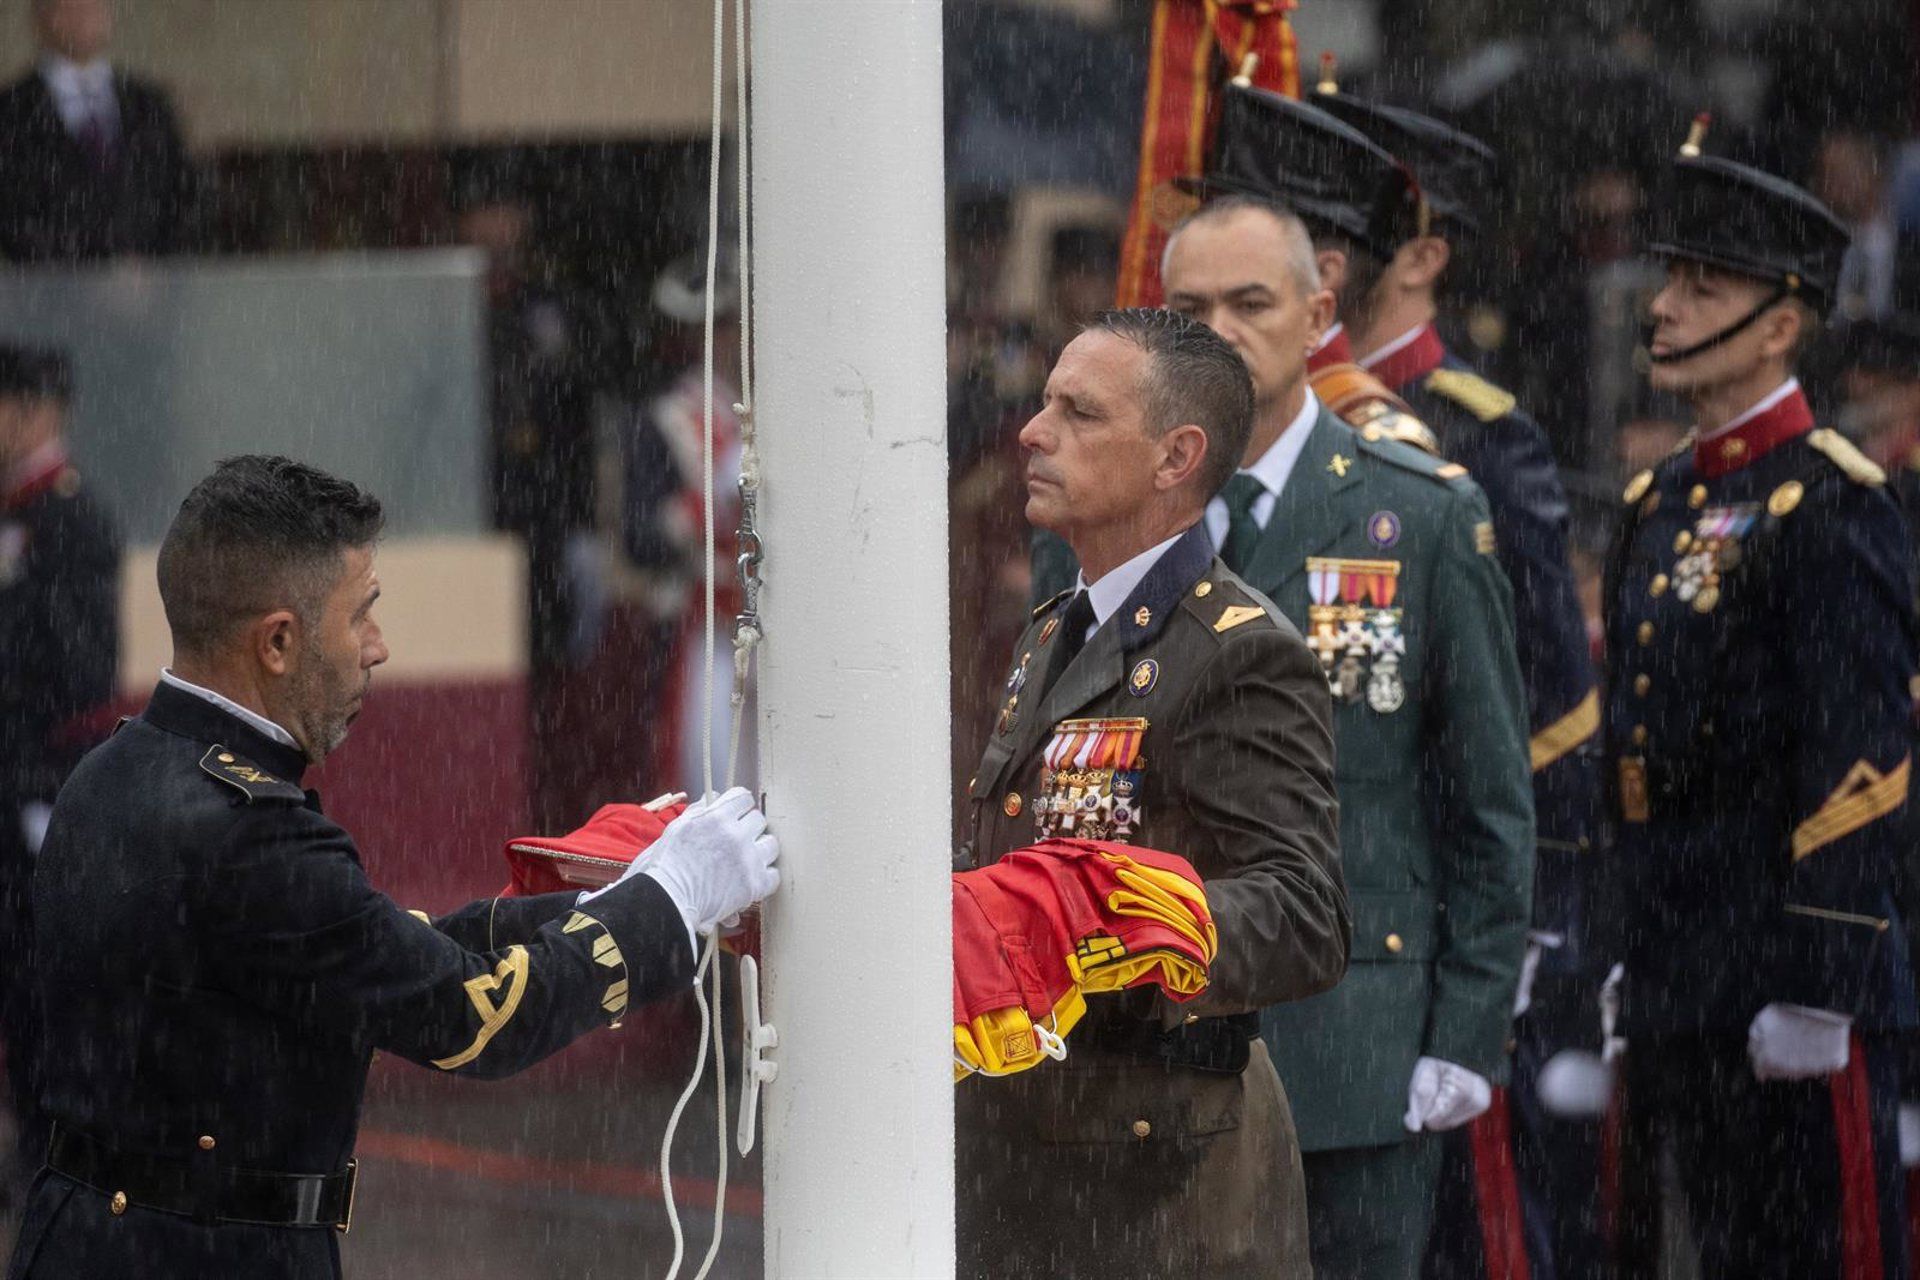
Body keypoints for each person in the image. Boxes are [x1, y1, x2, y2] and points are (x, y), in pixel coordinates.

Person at [2, 455, 780, 1279]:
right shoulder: (248, 833)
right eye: (361, 615)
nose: (378, 647)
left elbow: (365, 953)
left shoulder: (113, 773)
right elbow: (471, 1017)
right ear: (278, 642)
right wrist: (668, 898)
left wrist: (619, 897)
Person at [1044, 158, 1536, 1274]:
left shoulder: (1419, 514)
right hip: (1142, 1043)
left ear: (1319, 315)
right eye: (1189, 307)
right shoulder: (1098, 514)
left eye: (1250, 303)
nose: (1217, 331)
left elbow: (1489, 799)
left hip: (1356, 1044)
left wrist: (1467, 1031)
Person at [957, 308, 1349, 1279]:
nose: (1033, 431)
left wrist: (1118, 916)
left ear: (1177, 457)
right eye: (1045, 402)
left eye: (1079, 412)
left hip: (1160, 1177)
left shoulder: (1238, 650)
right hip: (1027, 1154)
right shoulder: (1057, 625)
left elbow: (1305, 915)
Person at [1298, 77, 1607, 1280]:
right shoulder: (1266, 421)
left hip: (1438, 911)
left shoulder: (1472, 429)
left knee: (1475, 1229)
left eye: (1344, 228)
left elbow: (1549, 709)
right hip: (1320, 909)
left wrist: (1524, 920)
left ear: (1421, 254)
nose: (1316, 251)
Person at [1603, 125, 1915, 1278]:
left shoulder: (1830, 501)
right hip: (1678, 962)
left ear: (1781, 323)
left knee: (1813, 1251)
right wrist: (1622, 936)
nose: (1666, 307)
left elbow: (1861, 749)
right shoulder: (1657, 498)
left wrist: (1822, 976)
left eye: (1705, 287)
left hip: (1786, 964)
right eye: (1672, 280)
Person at [0, 344, 119, 1214]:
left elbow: (83, 668)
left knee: (47, 971)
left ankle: (58, 1151)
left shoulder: (71, 515)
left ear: (38, 409)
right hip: (9, 772)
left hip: (41, 773)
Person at [0, 0, 195, 263]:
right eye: (70, 8)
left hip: (152, 280)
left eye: (94, 6)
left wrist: (151, 266)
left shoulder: (147, 103)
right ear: (42, 18)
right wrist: (88, 270)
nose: (85, 16)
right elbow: (12, 212)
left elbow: (183, 192)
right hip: (54, 281)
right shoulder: (12, 111)